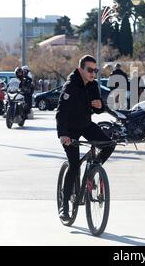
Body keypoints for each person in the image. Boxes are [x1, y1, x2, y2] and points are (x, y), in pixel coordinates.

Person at [56, 55, 115, 221]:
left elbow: (97, 109)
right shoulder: (70, 86)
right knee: (74, 165)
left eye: (95, 70)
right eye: (90, 70)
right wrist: (63, 135)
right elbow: (61, 113)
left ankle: (94, 168)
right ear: (81, 69)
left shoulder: (93, 85)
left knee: (109, 144)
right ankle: (65, 205)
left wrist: (100, 106)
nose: (93, 73)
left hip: (85, 125)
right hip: (70, 129)